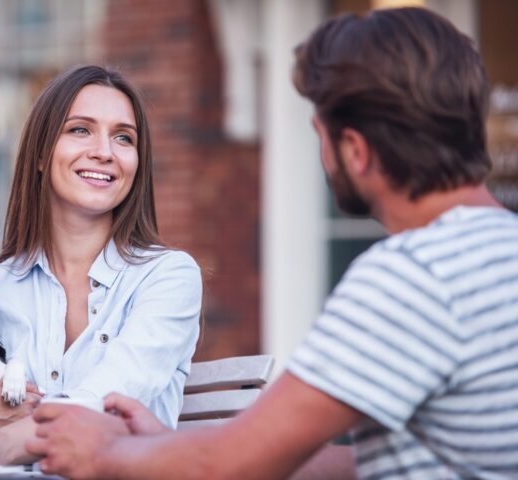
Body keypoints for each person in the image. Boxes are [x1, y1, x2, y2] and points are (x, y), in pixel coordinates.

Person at [25, 7, 518, 479]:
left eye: (318, 135)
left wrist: (105, 454)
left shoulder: (412, 277)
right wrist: (161, 447)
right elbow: (385, 466)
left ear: (356, 151)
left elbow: (228, 466)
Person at [0, 65, 202, 464]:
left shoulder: (167, 278)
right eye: (80, 130)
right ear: (40, 154)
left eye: (123, 137)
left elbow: (110, 404)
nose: (104, 151)